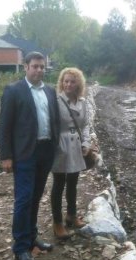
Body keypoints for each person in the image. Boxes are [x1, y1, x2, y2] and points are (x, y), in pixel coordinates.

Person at [0, 51, 60, 260]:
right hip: (25, 154)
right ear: (25, 67)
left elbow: (55, 120)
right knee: (23, 200)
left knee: (35, 197)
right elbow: (4, 126)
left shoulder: (50, 91)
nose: (39, 70)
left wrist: (55, 146)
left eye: (42, 67)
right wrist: (6, 156)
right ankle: (21, 249)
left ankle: (32, 237)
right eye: (35, 66)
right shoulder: (14, 91)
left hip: (45, 151)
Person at [51, 67, 90, 239]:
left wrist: (86, 142)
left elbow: (85, 124)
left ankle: (71, 216)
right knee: (59, 183)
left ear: (78, 84)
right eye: (65, 81)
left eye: (72, 81)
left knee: (73, 182)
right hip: (60, 145)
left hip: (76, 145)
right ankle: (57, 223)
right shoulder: (56, 100)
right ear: (61, 83)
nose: (68, 84)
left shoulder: (82, 102)